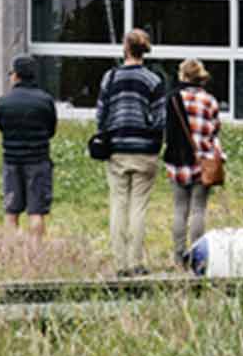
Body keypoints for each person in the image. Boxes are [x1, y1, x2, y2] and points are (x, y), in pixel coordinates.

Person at [94, 30, 168, 275]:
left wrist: (106, 135)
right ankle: (136, 262)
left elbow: (101, 114)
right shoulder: (153, 80)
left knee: (118, 204)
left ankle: (119, 263)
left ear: (126, 48)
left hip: (117, 148)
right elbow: (160, 118)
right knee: (139, 207)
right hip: (145, 150)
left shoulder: (110, 77)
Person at [166, 58, 225, 262]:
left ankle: (178, 255)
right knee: (198, 209)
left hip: (178, 163)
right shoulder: (209, 100)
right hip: (203, 162)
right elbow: (215, 129)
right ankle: (198, 256)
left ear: (182, 75)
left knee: (179, 209)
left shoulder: (172, 99)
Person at [0, 55, 58, 240]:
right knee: (36, 211)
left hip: (11, 161)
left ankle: (12, 250)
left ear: (16, 76)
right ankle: (35, 251)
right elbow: (51, 130)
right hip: (38, 161)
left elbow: (1, 127)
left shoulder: (4, 102)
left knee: (11, 210)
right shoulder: (45, 100)